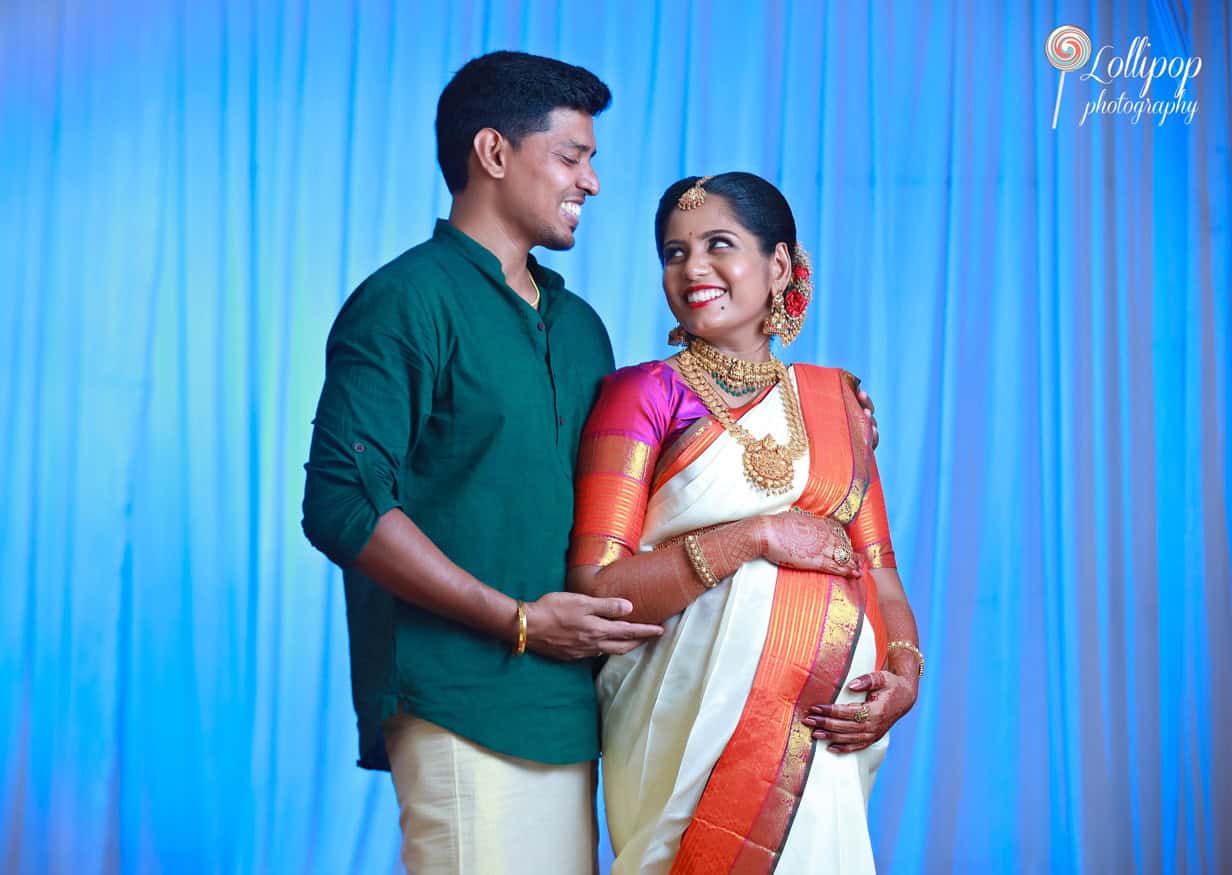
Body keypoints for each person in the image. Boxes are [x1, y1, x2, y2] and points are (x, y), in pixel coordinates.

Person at [300, 51, 668, 874]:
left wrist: (813, 414)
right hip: (460, 698)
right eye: (573, 157)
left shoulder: (581, 328)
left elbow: (638, 490)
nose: (593, 182)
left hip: (574, 709)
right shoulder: (406, 300)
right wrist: (521, 619)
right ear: (494, 153)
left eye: (593, 161)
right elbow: (341, 503)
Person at [568, 172, 922, 873]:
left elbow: (879, 575)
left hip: (819, 737)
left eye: (717, 244)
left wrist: (904, 674)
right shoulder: (641, 396)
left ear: (779, 266)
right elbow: (595, 590)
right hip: (678, 737)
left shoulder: (838, 402)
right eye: (673, 251)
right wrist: (753, 537)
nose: (692, 267)